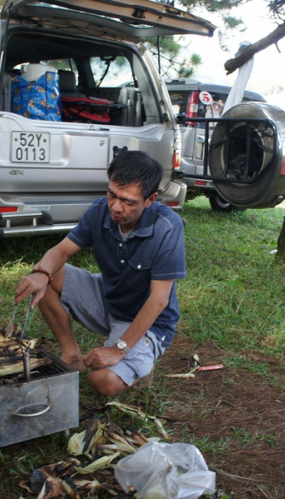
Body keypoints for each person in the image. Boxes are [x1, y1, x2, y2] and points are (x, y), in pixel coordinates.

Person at [14, 150, 186, 396]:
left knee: (103, 381)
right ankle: (72, 355)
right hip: (109, 299)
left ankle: (142, 363)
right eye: (112, 195)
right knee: (48, 275)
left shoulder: (166, 227)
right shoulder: (99, 211)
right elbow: (61, 251)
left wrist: (119, 349)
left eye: (128, 201)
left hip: (149, 322)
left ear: (150, 200)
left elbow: (159, 299)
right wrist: (41, 272)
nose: (116, 207)